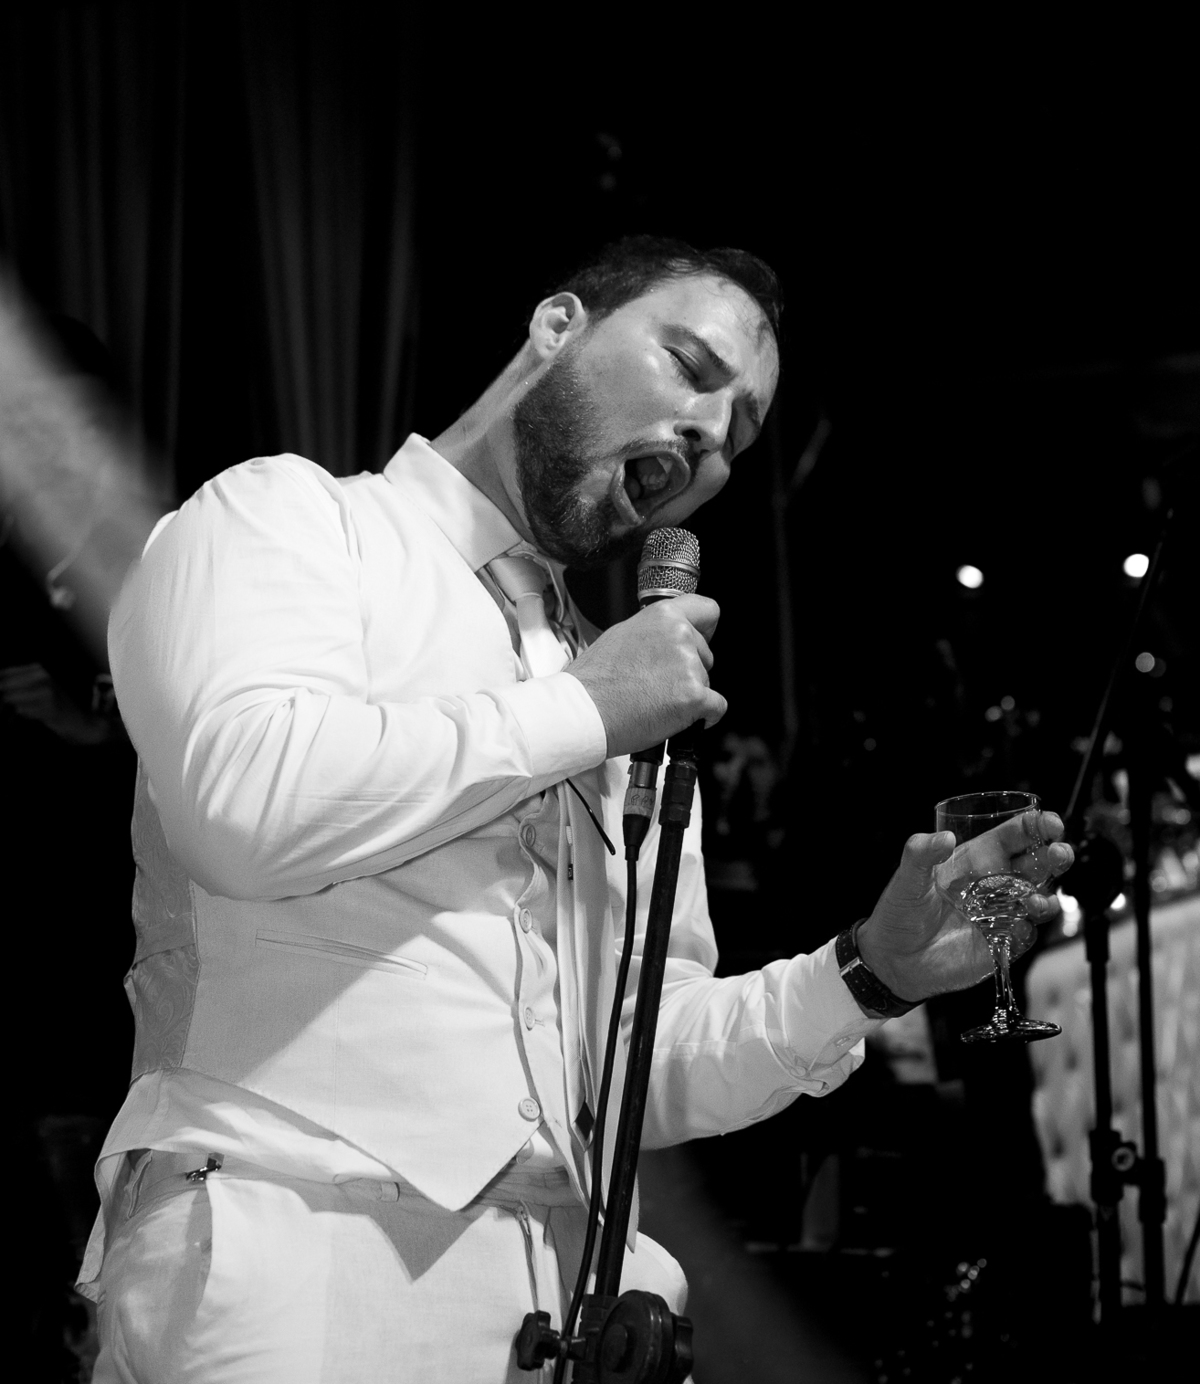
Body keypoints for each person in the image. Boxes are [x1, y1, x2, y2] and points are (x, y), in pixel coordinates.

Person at [80, 235, 1072, 1382]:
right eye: (690, 364)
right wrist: (584, 707)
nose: (709, 432)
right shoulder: (289, 519)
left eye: (739, 431)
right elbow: (240, 806)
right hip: (292, 1248)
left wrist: (868, 973)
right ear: (557, 327)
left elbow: (645, 1062)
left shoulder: (620, 685)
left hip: (561, 1305)